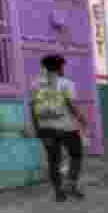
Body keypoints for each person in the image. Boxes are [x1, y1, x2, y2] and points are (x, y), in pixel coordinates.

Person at [29, 54, 89, 202]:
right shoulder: (66, 84)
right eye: (63, 66)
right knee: (76, 155)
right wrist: (82, 119)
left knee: (53, 160)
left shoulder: (36, 84)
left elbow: (32, 107)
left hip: (45, 127)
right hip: (65, 127)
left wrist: (36, 127)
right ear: (60, 67)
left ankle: (58, 192)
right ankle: (71, 185)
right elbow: (71, 105)